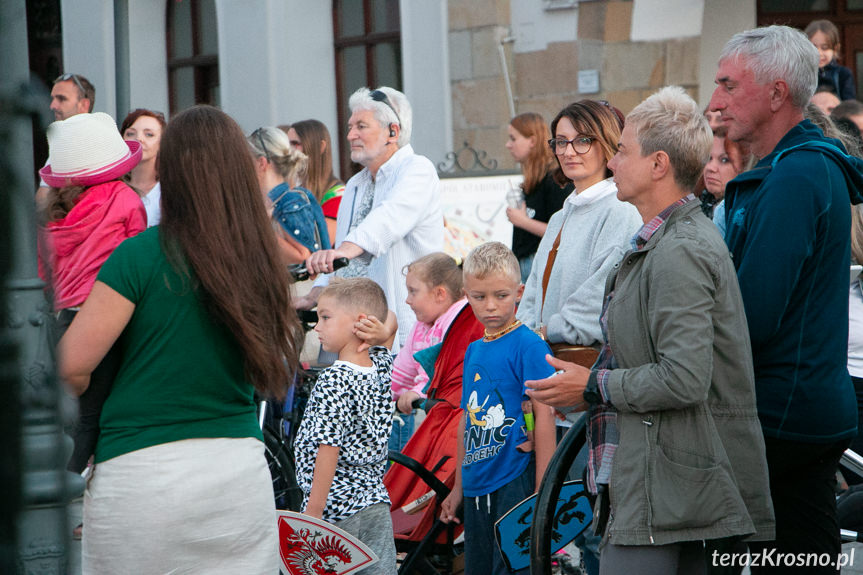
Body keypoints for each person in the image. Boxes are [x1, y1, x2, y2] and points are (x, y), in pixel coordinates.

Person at [526, 86, 774, 574]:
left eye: (620, 150)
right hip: (660, 481)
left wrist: (592, 386)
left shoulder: (679, 248)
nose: (612, 161)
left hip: (673, 486)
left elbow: (683, 378)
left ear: (658, 164)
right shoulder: (660, 241)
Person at [57, 105, 301, 573]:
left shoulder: (141, 255)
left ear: (171, 172)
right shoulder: (260, 261)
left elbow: (70, 366)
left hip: (143, 476)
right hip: (237, 476)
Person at [709, 25, 863, 571]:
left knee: (788, 557)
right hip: (793, 407)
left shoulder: (798, 174)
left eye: (729, 85)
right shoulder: (790, 170)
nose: (714, 102)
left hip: (783, 415)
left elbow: (752, 315)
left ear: (777, 94)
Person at [37, 112, 146, 475]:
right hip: (106, 318)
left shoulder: (52, 213)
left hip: (63, 320)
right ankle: (69, 490)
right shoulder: (125, 200)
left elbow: (41, 274)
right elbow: (138, 260)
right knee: (95, 417)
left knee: (69, 418)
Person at [439, 241, 557, 575]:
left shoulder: (529, 344)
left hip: (514, 477)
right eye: (479, 297)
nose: (490, 305)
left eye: (501, 295)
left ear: (519, 292)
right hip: (476, 479)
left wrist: (541, 491)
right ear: (466, 295)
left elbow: (544, 413)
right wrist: (458, 487)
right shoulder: (474, 349)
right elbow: (466, 418)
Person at [302, 86, 443, 351]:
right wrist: (314, 293)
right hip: (359, 333)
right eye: (350, 126)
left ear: (393, 131)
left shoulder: (418, 170)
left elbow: (388, 220)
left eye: (361, 126)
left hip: (408, 331)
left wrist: (341, 251)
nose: (350, 135)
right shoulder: (356, 184)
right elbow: (345, 262)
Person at [517, 100, 641, 350]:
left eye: (583, 140)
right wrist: (527, 334)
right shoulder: (559, 218)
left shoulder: (621, 211)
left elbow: (601, 297)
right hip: (543, 356)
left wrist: (547, 331)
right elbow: (533, 291)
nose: (568, 151)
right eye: (561, 141)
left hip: (588, 363)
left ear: (605, 142)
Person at [294, 277, 397, 574]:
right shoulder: (379, 365)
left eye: (325, 317)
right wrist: (382, 331)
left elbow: (329, 448)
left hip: (335, 510)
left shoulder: (334, 379)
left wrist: (312, 515)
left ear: (360, 322)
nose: (317, 326)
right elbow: (389, 322)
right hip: (375, 503)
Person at [384, 252, 465, 452]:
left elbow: (441, 375)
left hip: (455, 418)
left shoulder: (456, 324)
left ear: (440, 294)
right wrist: (378, 396)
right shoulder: (422, 326)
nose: (407, 300)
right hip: (433, 413)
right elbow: (402, 370)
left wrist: (417, 393)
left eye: (413, 292)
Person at [504, 112, 573, 281]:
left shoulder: (554, 179)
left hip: (540, 263)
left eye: (513, 139)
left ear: (532, 141)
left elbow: (563, 230)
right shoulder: (534, 179)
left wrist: (523, 222)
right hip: (526, 263)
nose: (508, 145)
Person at [248, 126, 330, 264]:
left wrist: (261, 226)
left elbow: (303, 257)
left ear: (262, 163)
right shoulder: (274, 201)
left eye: (247, 159)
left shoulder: (289, 201)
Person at [37, 73, 96, 204]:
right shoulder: (63, 143)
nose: (53, 106)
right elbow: (43, 196)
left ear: (84, 105)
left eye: (62, 99)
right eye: (52, 99)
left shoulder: (97, 143)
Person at [284, 119, 345, 244]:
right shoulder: (295, 188)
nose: (288, 151)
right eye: (286, 145)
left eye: (295, 144)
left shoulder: (337, 194)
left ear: (320, 147)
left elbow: (321, 243)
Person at [697, 127, 753, 234]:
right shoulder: (696, 204)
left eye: (724, 160)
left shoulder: (742, 216)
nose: (710, 167)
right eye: (709, 158)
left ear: (744, 166)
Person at [120, 108, 166, 226]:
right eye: (130, 133)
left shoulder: (169, 190)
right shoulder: (112, 190)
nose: (139, 138)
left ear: (162, 143)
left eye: (149, 134)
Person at [806, 19, 856, 101]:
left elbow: (849, 105)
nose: (819, 53)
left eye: (825, 48)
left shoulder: (843, 74)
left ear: (835, 49)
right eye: (813, 47)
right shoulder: (801, 74)